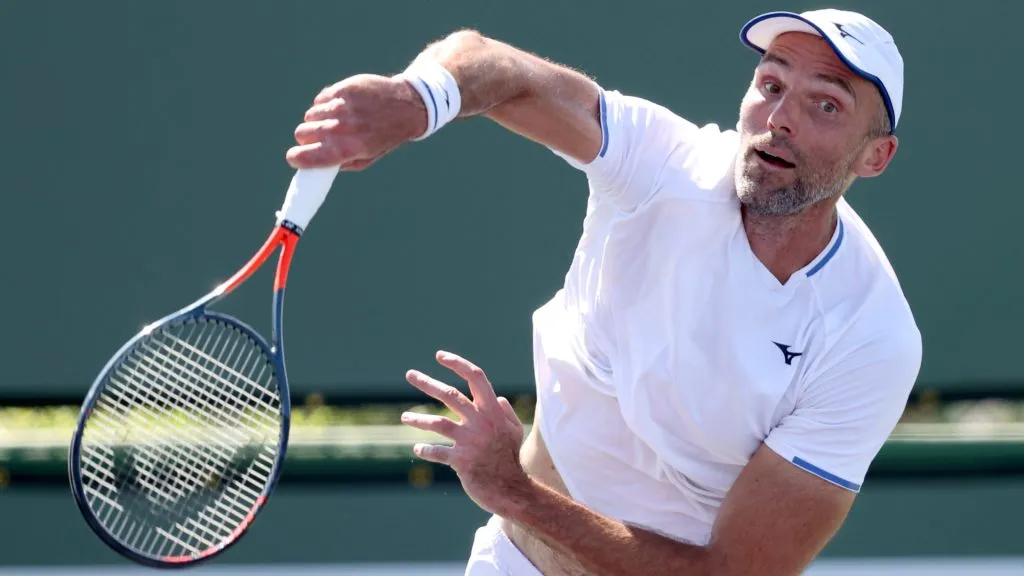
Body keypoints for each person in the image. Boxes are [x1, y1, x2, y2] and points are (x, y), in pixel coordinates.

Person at [287, 7, 922, 576]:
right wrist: (414, 98)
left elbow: (734, 573)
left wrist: (515, 492)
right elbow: (496, 66)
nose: (779, 119)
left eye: (826, 106)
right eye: (771, 84)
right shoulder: (663, 165)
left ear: (876, 157)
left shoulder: (870, 336)